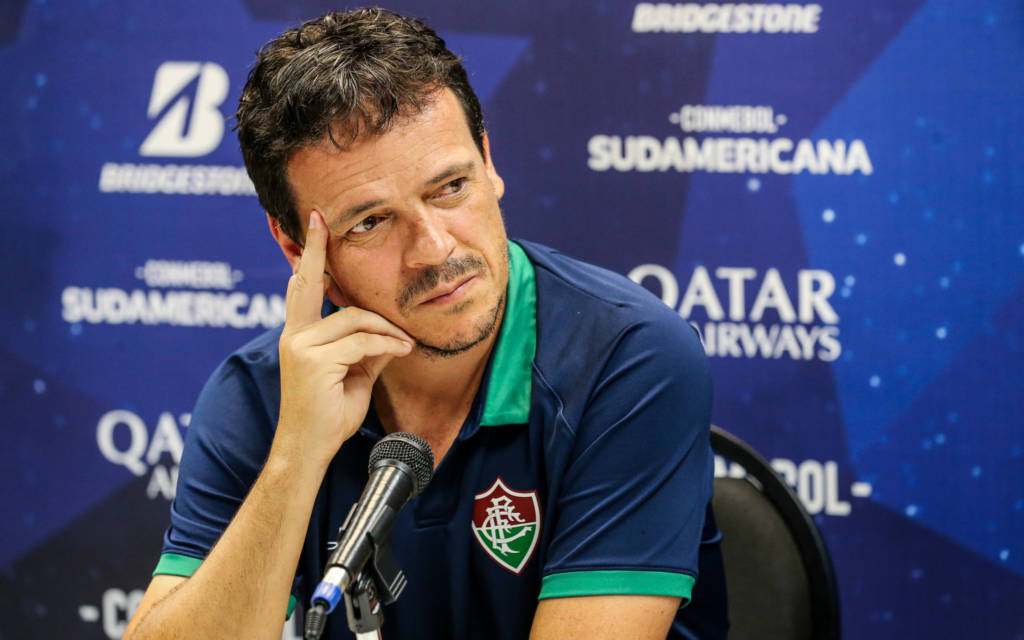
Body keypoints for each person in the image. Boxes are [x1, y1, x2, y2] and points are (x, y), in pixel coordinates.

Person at [125, 8, 727, 640]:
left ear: (488, 161)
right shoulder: (259, 395)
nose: (435, 249)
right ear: (299, 250)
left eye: (449, 187)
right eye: (371, 222)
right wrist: (295, 454)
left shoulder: (630, 358)